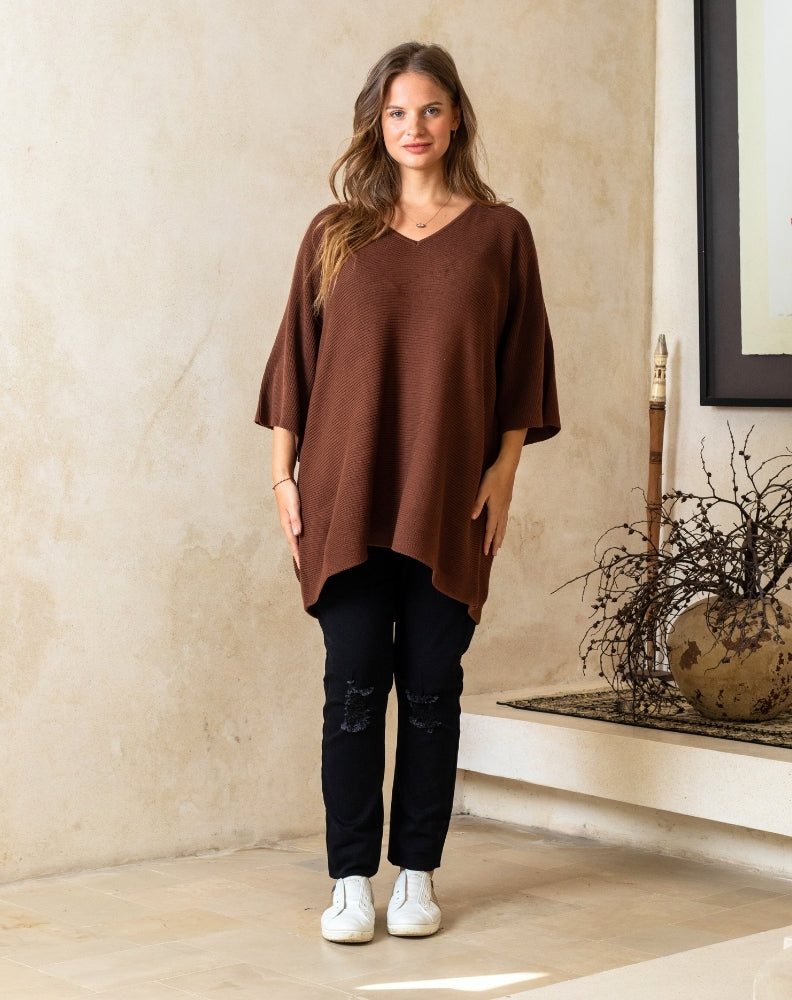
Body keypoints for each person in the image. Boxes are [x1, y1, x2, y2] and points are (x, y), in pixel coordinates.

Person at [255, 41, 560, 944]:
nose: (413, 127)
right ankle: (351, 880)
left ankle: (416, 874)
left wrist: (504, 473)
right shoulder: (335, 231)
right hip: (343, 496)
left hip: (451, 498)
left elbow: (522, 366)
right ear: (376, 124)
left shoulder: (501, 234)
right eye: (396, 112)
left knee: (431, 689)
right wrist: (282, 477)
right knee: (353, 689)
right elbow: (295, 362)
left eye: (429, 109)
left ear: (455, 116)